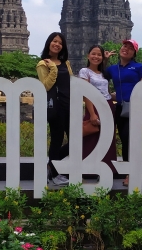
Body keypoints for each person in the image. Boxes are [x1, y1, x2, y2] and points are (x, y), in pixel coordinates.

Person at [104, 39, 142, 186]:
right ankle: (129, 168)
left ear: (134, 53)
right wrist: (105, 59)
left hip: (139, 106)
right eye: (124, 46)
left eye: (130, 48)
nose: (125, 49)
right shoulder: (113, 69)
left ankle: (131, 172)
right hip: (121, 107)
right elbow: (100, 79)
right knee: (123, 137)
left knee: (129, 137)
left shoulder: (138, 67)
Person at [36, 32, 74, 186]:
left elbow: (72, 83)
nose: (57, 44)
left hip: (69, 105)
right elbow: (45, 86)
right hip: (55, 107)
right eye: (54, 41)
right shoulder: (42, 64)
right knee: (57, 140)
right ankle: (55, 174)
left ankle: (51, 165)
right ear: (49, 43)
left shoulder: (66, 63)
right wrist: (53, 68)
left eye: (60, 42)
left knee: (76, 141)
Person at [78, 45, 117, 174]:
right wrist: (92, 114)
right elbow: (85, 93)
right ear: (88, 55)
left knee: (107, 137)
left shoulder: (104, 73)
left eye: (99, 55)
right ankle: (88, 170)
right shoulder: (84, 71)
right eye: (93, 54)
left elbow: (106, 91)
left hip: (108, 105)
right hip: (93, 106)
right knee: (92, 136)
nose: (96, 57)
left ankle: (107, 170)